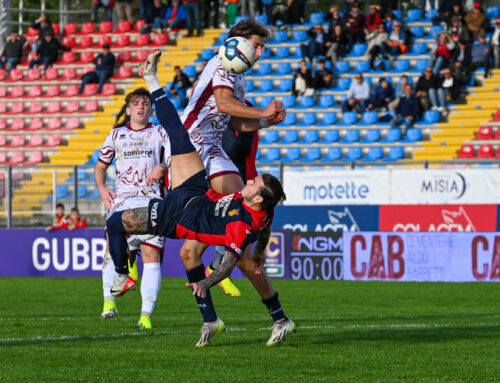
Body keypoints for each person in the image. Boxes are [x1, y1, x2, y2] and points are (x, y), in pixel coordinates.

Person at [107, 48, 295, 348]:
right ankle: (151, 78)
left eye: (254, 183)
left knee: (117, 223)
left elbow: (228, 262)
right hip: (195, 192)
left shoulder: (242, 225)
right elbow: (258, 224)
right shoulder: (256, 209)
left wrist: (207, 282)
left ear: (258, 200)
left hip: (179, 218)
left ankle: (279, 317)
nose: (249, 179)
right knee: (178, 133)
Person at [97, 87, 171, 329]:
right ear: (128, 109)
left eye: (145, 103)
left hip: (152, 201)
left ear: (151, 109)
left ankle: (145, 316)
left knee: (151, 255)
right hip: (123, 200)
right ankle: (109, 302)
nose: (141, 107)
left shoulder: (160, 132)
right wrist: (101, 187)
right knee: (111, 248)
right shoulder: (116, 135)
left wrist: (161, 166)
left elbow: (174, 158)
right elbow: (100, 166)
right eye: (136, 103)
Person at [207, 99, 260, 298]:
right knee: (234, 225)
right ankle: (217, 269)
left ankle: (216, 268)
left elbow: (239, 149)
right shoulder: (230, 107)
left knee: (238, 227)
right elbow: (236, 150)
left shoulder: (236, 106)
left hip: (242, 174)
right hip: (234, 176)